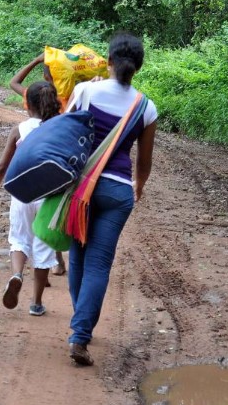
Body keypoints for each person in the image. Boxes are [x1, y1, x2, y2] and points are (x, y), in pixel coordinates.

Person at [64, 32, 158, 366]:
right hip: (118, 191)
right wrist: (140, 185)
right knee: (100, 263)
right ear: (137, 68)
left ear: (109, 61)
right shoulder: (146, 108)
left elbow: (65, 133)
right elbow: (144, 163)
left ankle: (81, 327)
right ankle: (80, 332)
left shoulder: (85, 91)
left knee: (78, 256)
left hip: (82, 188)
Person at [0, 81, 62, 316]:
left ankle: (16, 274)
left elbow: (2, 165)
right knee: (44, 245)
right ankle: (36, 303)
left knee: (19, 239)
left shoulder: (20, 129)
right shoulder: (60, 128)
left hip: (23, 193)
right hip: (50, 196)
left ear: (28, 105)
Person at [9, 54, 67, 277]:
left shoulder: (34, 95)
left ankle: (37, 268)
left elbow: (14, 82)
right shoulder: (65, 100)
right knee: (49, 216)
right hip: (54, 172)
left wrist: (34, 59)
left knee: (25, 227)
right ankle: (55, 263)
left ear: (44, 74)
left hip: (29, 173)